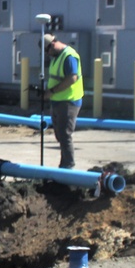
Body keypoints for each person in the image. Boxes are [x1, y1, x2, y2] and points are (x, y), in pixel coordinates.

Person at [44, 34, 83, 168]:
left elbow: (72, 78)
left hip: (68, 101)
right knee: (60, 135)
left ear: (52, 45)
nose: (47, 54)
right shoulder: (57, 57)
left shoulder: (69, 56)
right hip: (58, 101)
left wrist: (52, 91)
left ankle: (68, 166)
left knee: (65, 135)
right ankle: (64, 164)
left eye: (46, 50)